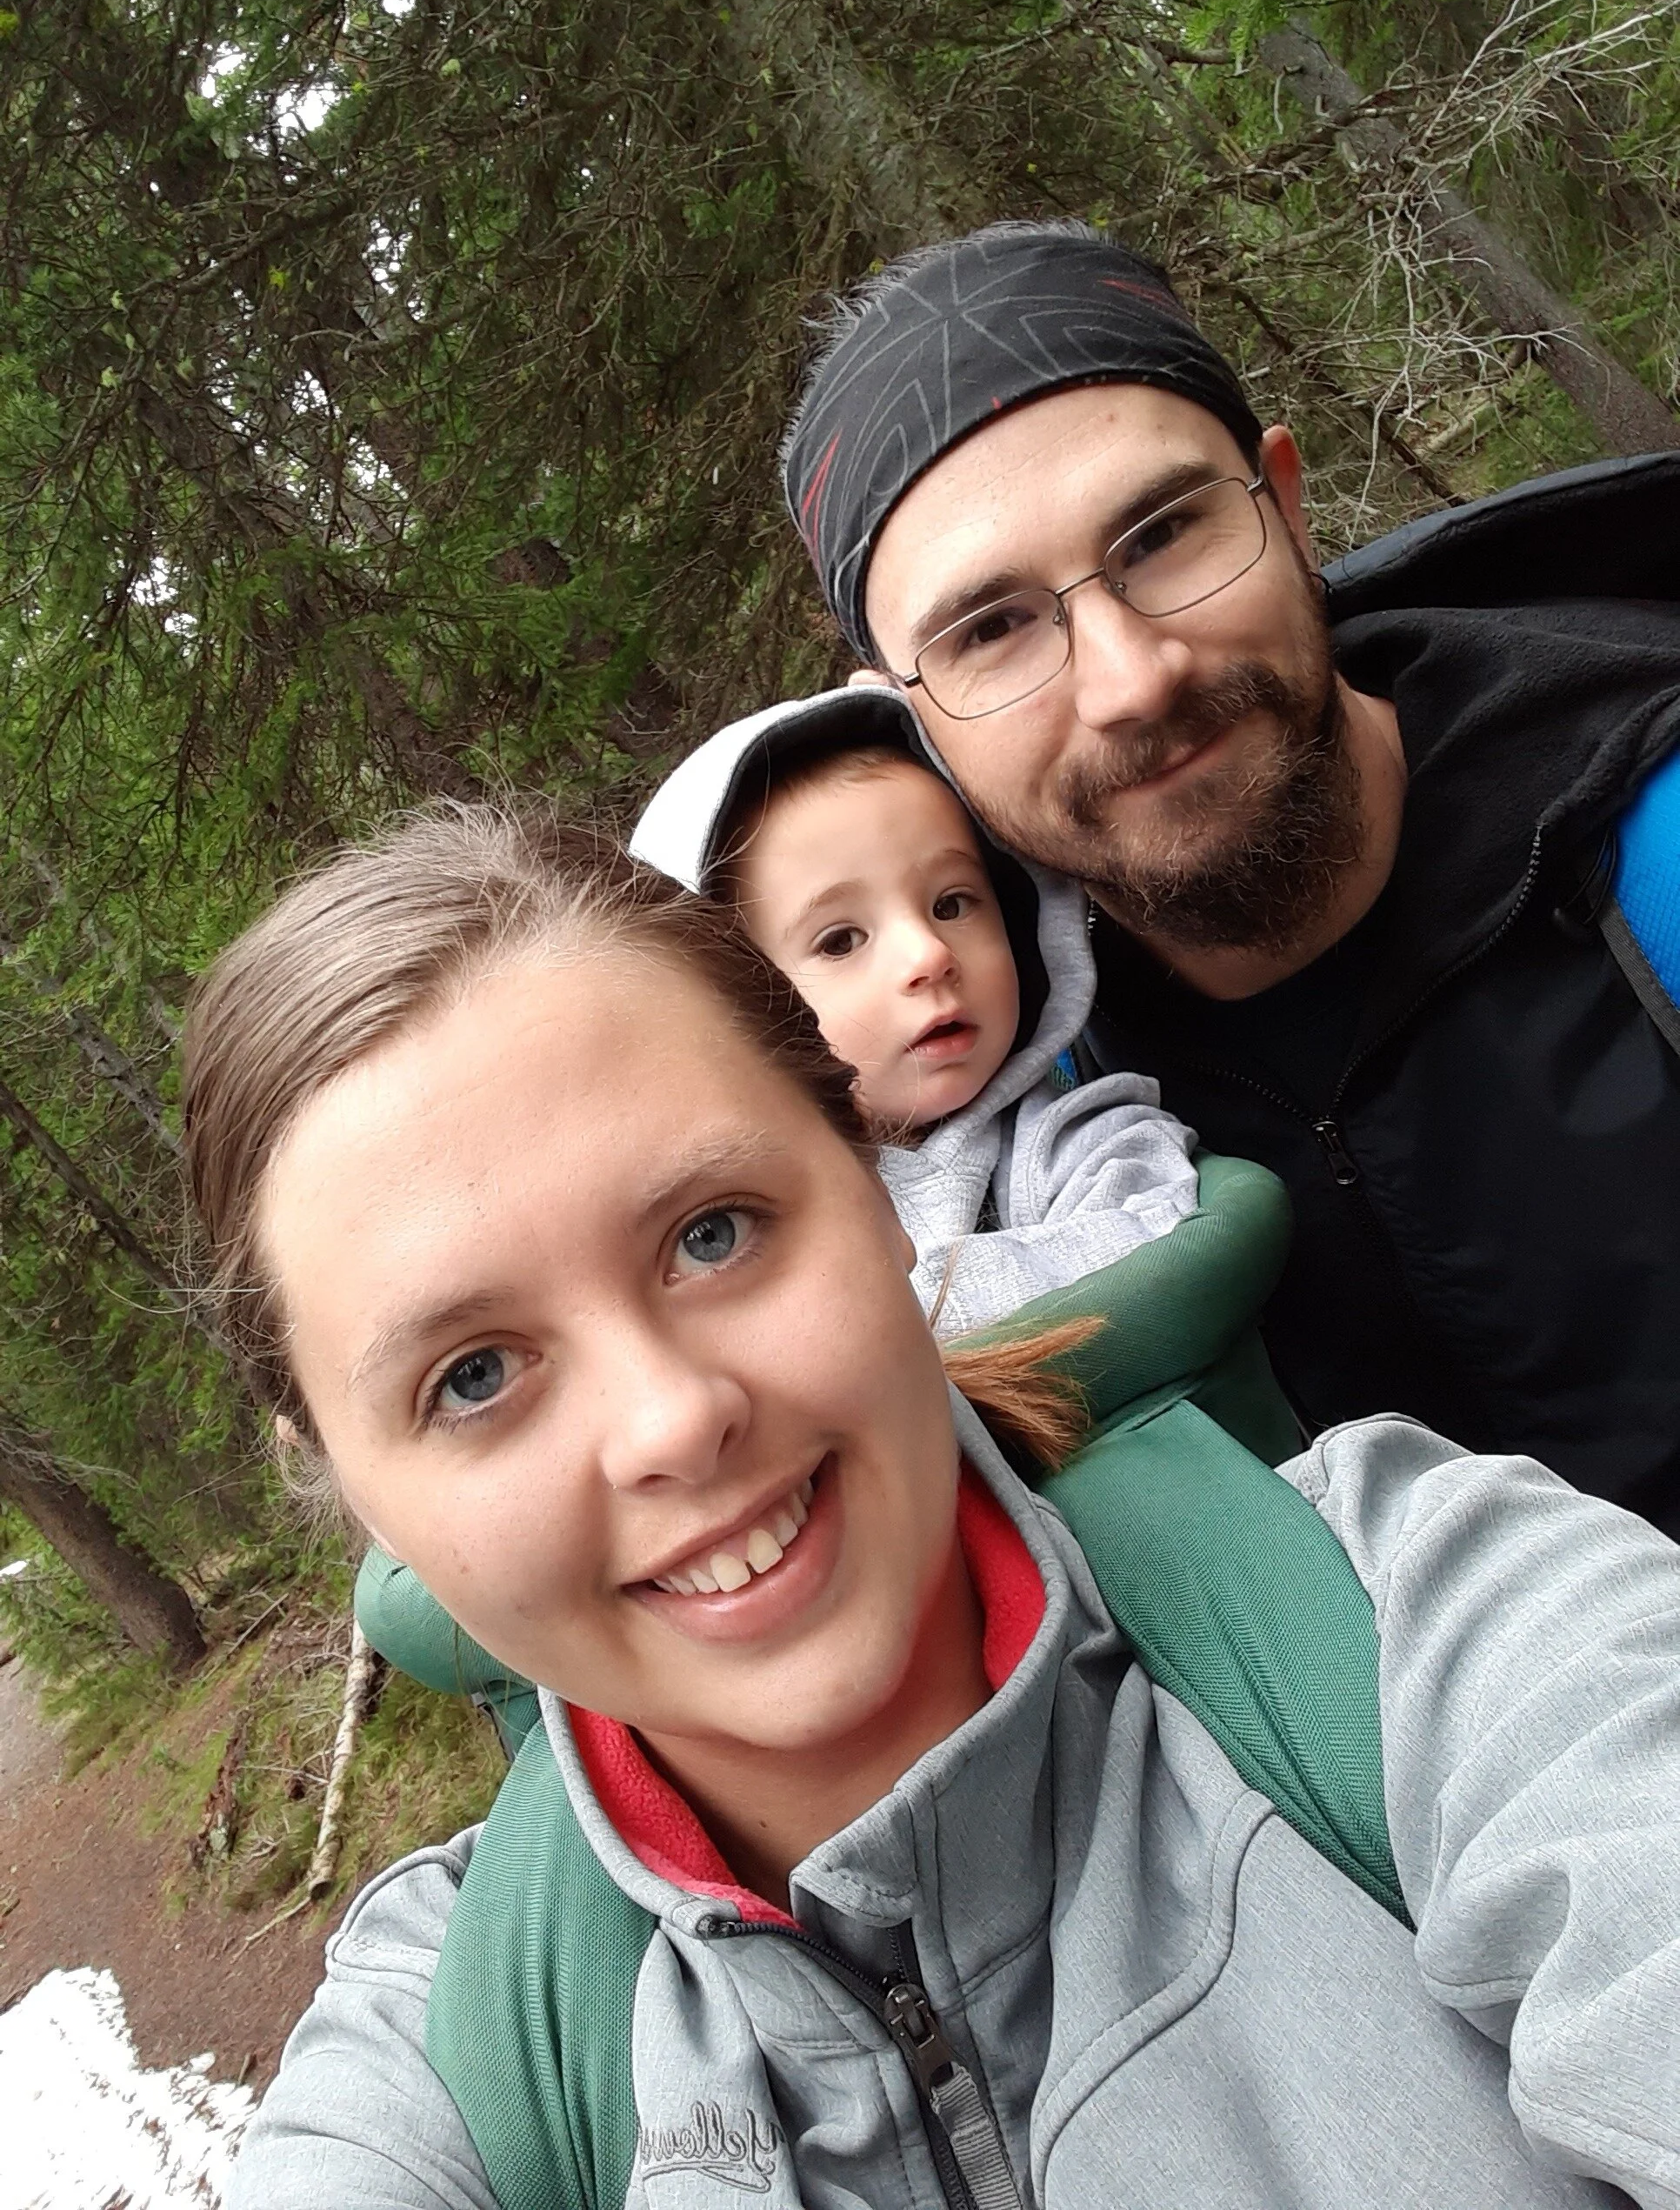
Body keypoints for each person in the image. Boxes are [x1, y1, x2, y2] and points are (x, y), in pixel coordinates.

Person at [185, 802, 1680, 2209]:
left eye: (713, 1233)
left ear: (874, 1184)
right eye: (471, 1376)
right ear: (352, 1490)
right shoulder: (457, 2043)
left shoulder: (1411, 1619)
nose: (671, 1421)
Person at [782, 217, 1680, 1530]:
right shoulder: (1018, 1116)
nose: (1131, 678)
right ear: (910, 717)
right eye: (992, 628)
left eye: (1160, 537)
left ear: (1287, 505)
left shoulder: (1644, 840)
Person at [629, 683, 1199, 1332]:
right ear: (727, 1014)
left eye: (951, 904)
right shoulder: (723, 1223)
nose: (930, 954)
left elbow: (1165, 1229)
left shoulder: (1058, 1139)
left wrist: (880, 1316)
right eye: (842, 941)